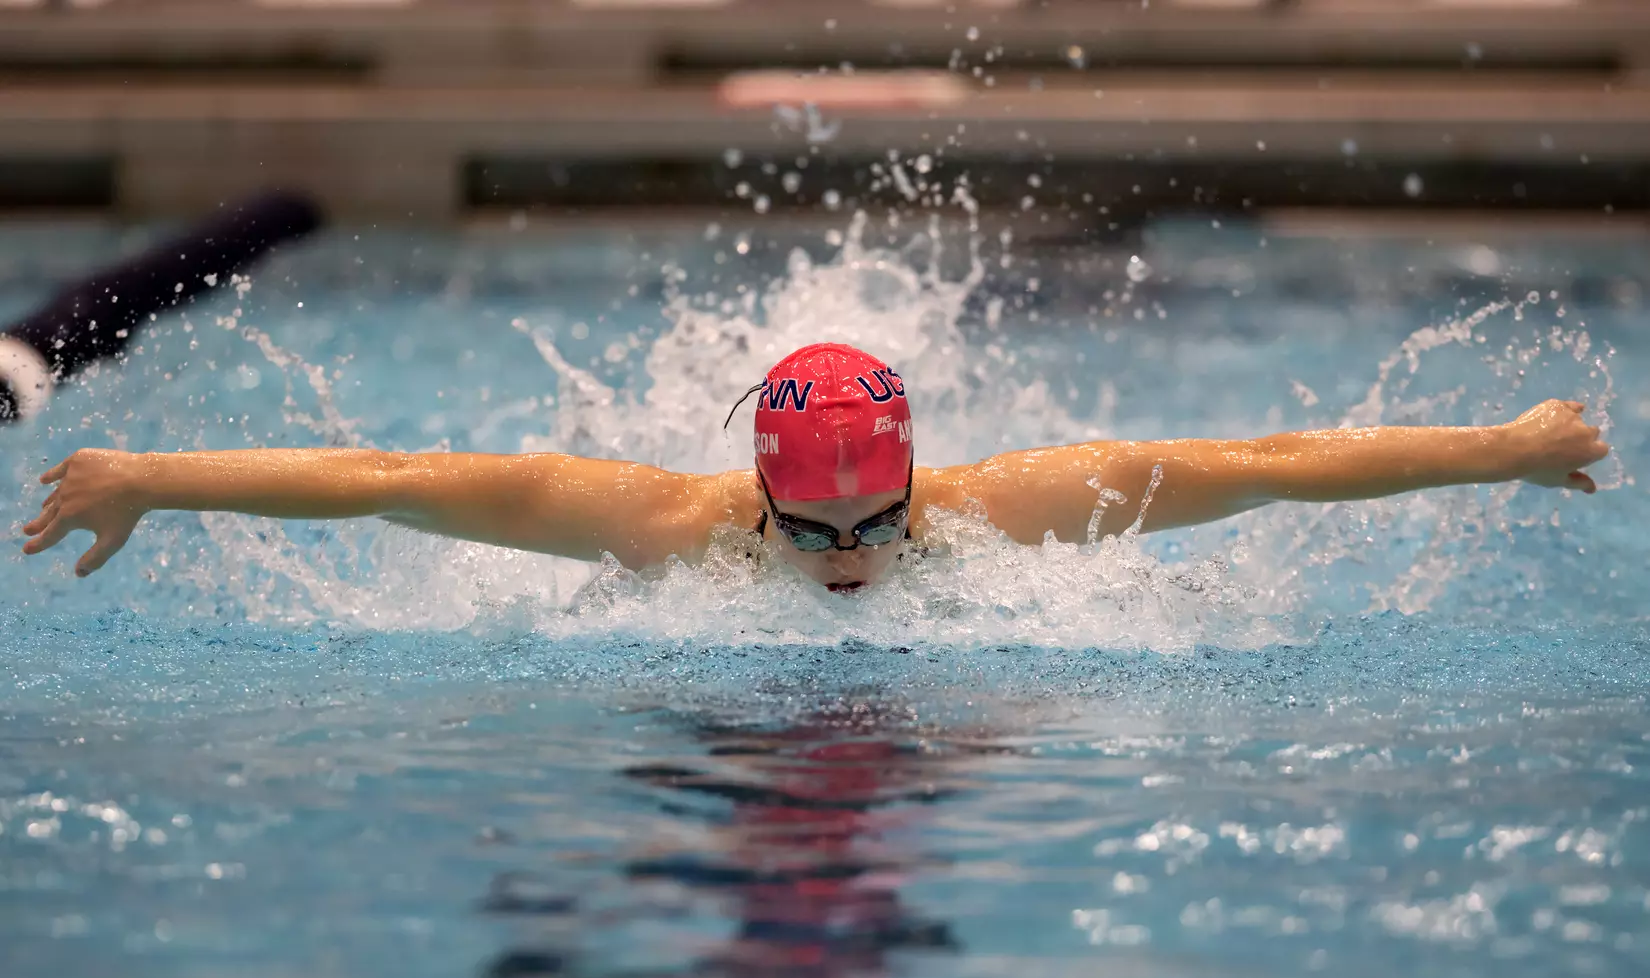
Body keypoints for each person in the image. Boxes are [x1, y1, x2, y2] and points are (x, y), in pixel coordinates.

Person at [18, 342, 1610, 589]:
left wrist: (1506, 447)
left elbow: (1256, 462)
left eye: (876, 516)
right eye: (816, 526)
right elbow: (395, 479)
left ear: (922, 481)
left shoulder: (1013, 507)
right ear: (758, 496)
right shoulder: (664, 524)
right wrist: (153, 470)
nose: (850, 555)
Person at [0, 191, 322, 423]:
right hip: (26, 361)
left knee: (131, 288)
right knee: (137, 286)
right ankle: (286, 211)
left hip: (24, 361)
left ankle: (285, 212)